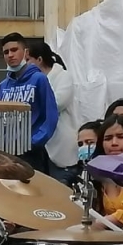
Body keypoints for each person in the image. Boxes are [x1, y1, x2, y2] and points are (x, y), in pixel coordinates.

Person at [0, 32, 58, 176]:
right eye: (6, 52)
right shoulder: (3, 85)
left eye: (14, 50)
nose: (10, 55)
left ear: (26, 52)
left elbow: (51, 115)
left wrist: (34, 142)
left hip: (32, 152)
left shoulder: (39, 79)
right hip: (9, 152)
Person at [28, 41, 78, 185]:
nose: (24, 65)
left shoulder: (63, 77)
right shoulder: (29, 81)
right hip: (37, 145)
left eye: (28, 60)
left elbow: (56, 103)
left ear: (39, 59)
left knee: (60, 189)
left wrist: (32, 103)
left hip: (60, 145)